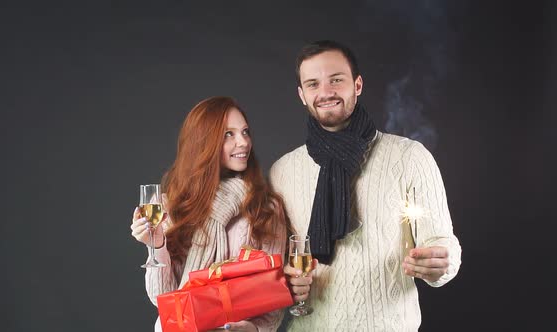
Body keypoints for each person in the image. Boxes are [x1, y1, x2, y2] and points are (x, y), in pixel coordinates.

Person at [270, 40, 462, 331]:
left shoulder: (409, 157)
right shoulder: (283, 171)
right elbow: (275, 261)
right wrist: (285, 278)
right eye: (313, 84)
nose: (325, 92)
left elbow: (442, 243)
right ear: (301, 95)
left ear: (357, 85)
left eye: (336, 80)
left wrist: (441, 263)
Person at [130, 96, 289, 332]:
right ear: (203, 142)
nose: (243, 142)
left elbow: (273, 296)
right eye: (229, 134)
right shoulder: (170, 204)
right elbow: (162, 299)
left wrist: (254, 330)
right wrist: (157, 245)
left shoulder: (264, 207)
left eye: (245, 132)